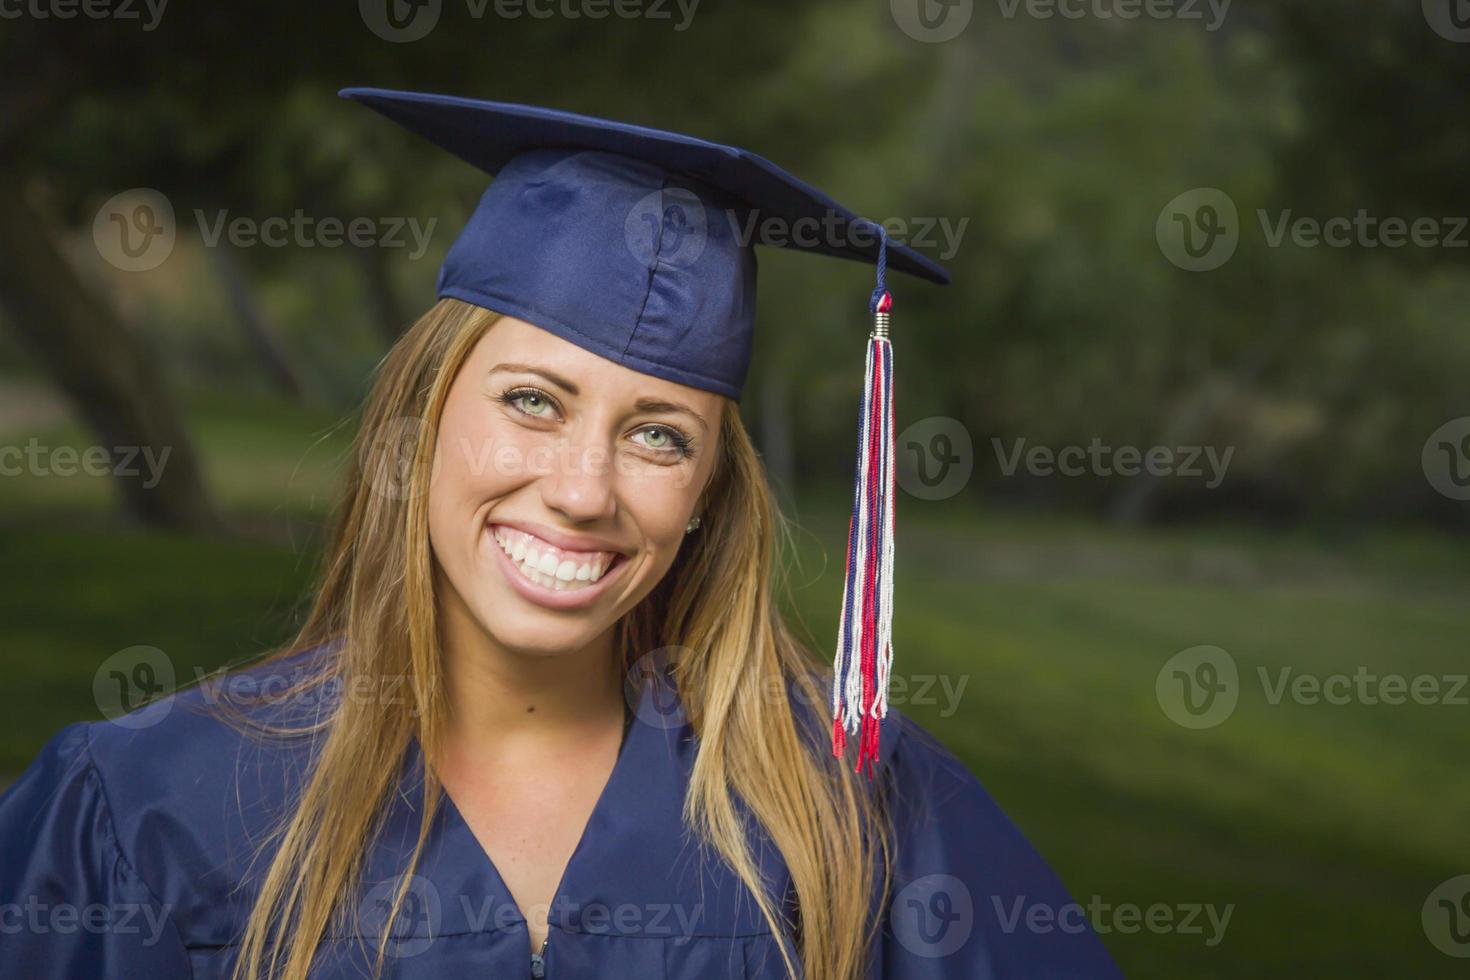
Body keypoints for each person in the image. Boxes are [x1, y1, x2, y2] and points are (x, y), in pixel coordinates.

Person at [0, 89, 1122, 979]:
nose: (585, 489)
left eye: (660, 435)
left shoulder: (847, 804)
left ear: (710, 492)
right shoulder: (145, 806)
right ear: (420, 416)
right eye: (533, 400)